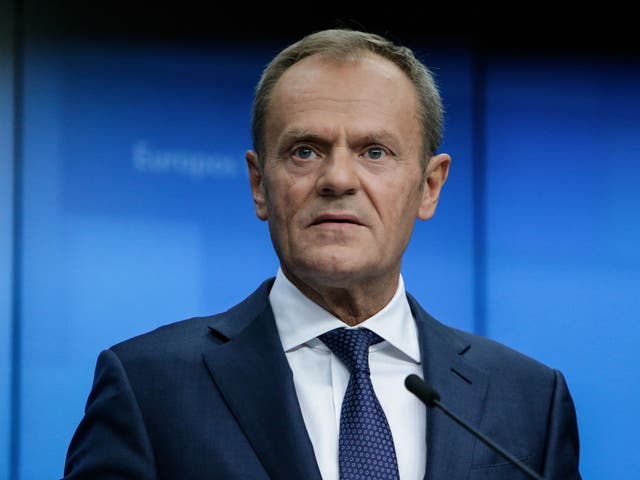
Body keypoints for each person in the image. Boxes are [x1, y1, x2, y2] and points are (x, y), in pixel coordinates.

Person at [61, 28, 581, 479]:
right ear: (260, 184)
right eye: (304, 150)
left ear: (429, 186)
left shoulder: (529, 401)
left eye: (374, 152)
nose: (337, 179)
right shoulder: (150, 386)